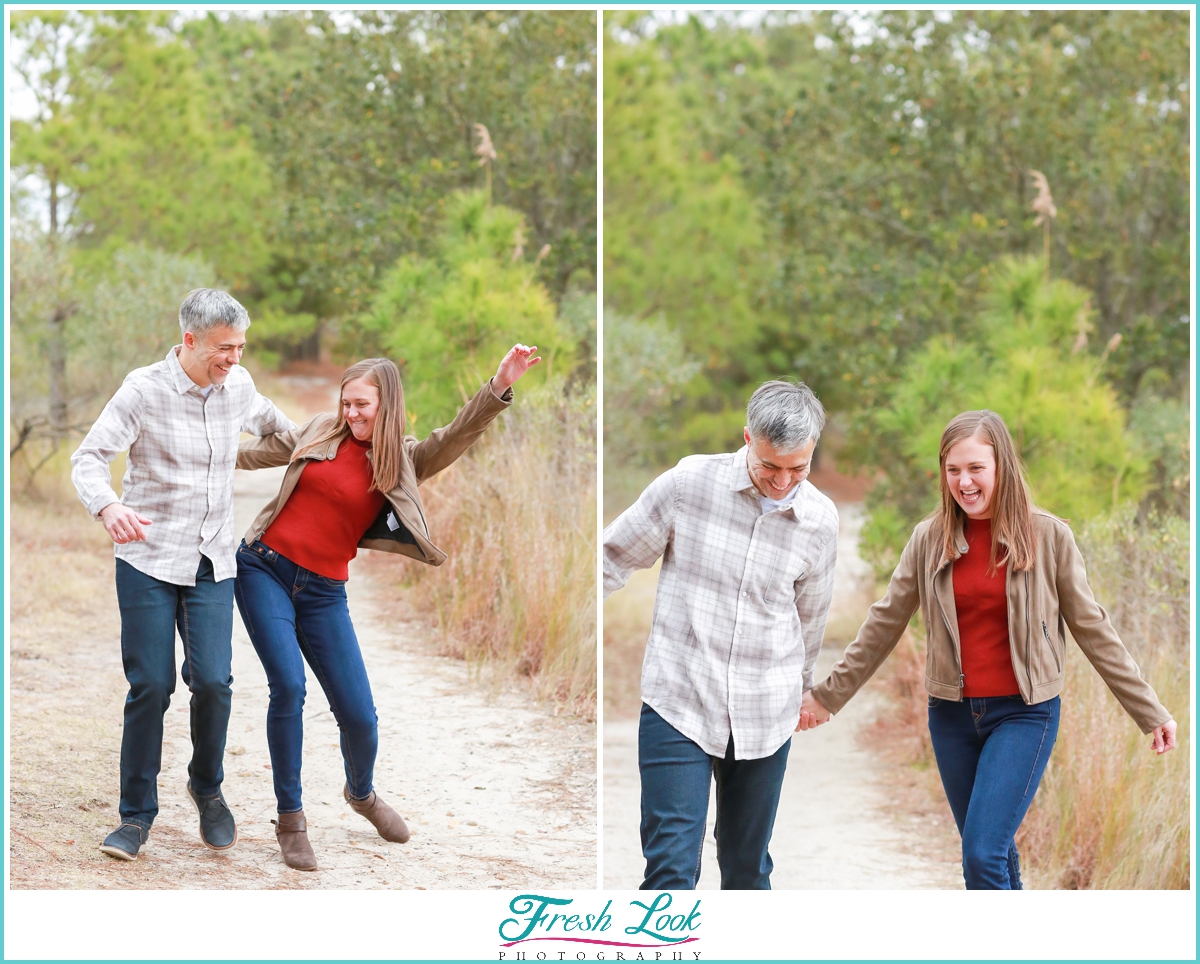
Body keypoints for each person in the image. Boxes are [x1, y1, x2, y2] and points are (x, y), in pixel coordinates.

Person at [799, 409, 1178, 890]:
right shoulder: (928, 539)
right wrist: (828, 696)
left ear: (1003, 466)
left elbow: (1093, 628)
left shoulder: (1048, 536)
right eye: (953, 469)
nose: (964, 481)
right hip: (951, 716)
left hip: (1024, 715)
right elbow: (884, 621)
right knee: (992, 852)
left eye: (976, 467)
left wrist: (1150, 711)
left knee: (980, 855)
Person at [233, 346, 540, 871]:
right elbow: (249, 452)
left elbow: (459, 434)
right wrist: (189, 445)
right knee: (288, 685)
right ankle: (291, 821)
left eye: (362, 405)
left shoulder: (403, 460)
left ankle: (362, 794)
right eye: (346, 403)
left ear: (387, 404)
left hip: (325, 591)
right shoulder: (316, 432)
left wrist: (499, 386)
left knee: (360, 717)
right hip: (263, 566)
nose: (351, 414)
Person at [71, 288, 296, 861]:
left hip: (212, 560)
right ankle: (135, 816)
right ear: (189, 340)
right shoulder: (143, 390)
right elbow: (89, 458)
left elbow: (282, 431)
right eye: (224, 348)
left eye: (241, 347)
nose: (233, 359)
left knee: (215, 683)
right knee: (151, 685)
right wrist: (108, 506)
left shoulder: (239, 387)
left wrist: (331, 448)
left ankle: (206, 786)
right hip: (147, 556)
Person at [604, 380, 838, 890]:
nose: (782, 482)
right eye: (770, 466)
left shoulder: (820, 520)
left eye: (798, 468)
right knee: (670, 870)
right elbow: (612, 556)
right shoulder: (690, 484)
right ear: (748, 438)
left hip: (765, 713)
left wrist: (804, 690)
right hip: (679, 700)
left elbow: (811, 617)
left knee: (746, 870)